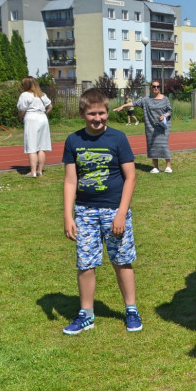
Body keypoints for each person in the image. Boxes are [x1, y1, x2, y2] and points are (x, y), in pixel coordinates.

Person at [61, 88, 141, 335]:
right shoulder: (73, 141)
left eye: (102, 113)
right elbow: (70, 181)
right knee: (86, 263)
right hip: (85, 212)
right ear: (82, 113)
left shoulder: (118, 139)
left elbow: (131, 178)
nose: (98, 118)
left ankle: (131, 309)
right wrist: (68, 216)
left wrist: (120, 214)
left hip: (114, 211)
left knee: (122, 261)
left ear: (107, 112)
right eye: (92, 113)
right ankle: (86, 314)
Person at [114, 80, 173, 173]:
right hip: (151, 127)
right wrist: (123, 106)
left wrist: (165, 116)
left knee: (163, 145)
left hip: (163, 127)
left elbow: (170, 111)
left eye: (158, 86)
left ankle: (168, 166)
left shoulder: (165, 99)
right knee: (152, 145)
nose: (156, 88)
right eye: (154, 86)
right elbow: (134, 103)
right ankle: (156, 167)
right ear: (151, 88)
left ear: (160, 88)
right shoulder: (146, 100)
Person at [16, 77, 52, 177]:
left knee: (32, 146)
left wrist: (21, 117)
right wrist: (44, 113)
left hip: (31, 118)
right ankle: (40, 170)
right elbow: (50, 106)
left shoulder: (25, 95)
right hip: (43, 118)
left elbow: (21, 109)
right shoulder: (42, 94)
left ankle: (33, 171)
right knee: (41, 146)